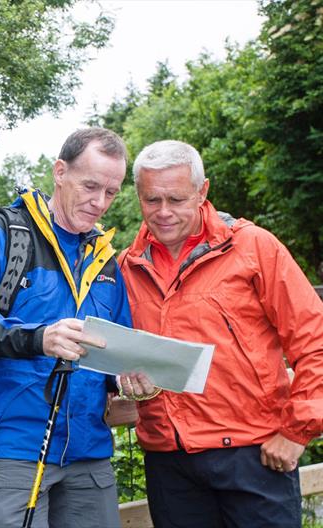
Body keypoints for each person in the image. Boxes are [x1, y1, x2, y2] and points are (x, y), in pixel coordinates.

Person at [118, 140, 323, 528]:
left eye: (176, 199)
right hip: (171, 464)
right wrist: (122, 380)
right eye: (151, 200)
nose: (163, 213)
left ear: (202, 191)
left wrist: (298, 432)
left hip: (255, 455)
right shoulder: (126, 267)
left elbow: (315, 341)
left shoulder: (253, 247)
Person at [0, 127, 131, 528]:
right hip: (13, 448)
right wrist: (39, 338)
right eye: (90, 186)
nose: (99, 203)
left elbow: (116, 349)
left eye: (110, 193)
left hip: (89, 451)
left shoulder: (105, 260)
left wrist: (132, 378)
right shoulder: (1, 234)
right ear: (60, 172)